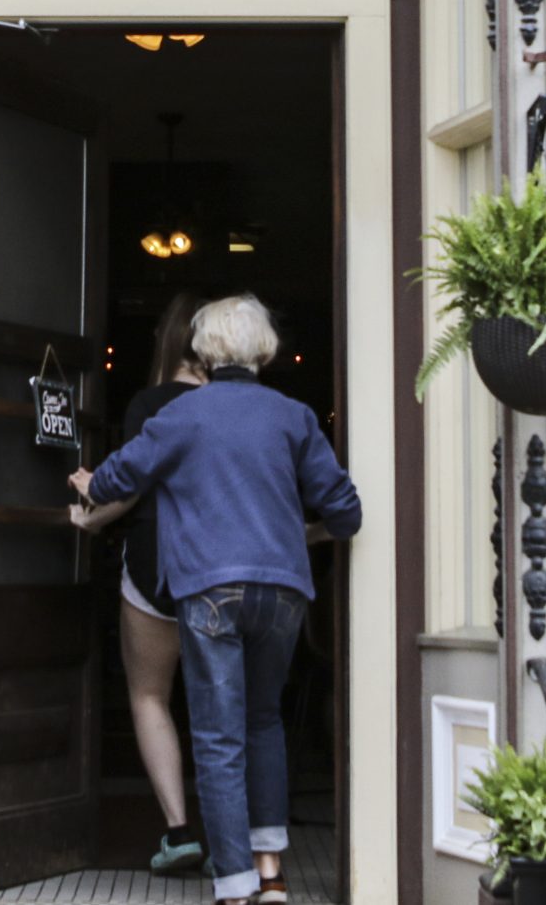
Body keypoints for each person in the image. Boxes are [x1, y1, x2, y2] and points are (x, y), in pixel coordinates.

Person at [72, 295, 363, 905]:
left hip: (209, 589)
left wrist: (87, 483)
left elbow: (117, 479)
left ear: (203, 350)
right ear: (265, 351)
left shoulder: (183, 413)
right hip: (283, 591)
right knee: (264, 722)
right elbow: (345, 511)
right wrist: (305, 531)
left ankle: (234, 887)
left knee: (218, 735)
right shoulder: (293, 416)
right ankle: (271, 873)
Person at [70, 293, 207, 875]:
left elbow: (129, 487)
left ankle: (179, 831)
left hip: (156, 565)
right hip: (222, 569)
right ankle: (243, 841)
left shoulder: (150, 404)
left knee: (150, 695)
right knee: (231, 705)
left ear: (166, 340)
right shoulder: (241, 406)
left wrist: (90, 515)